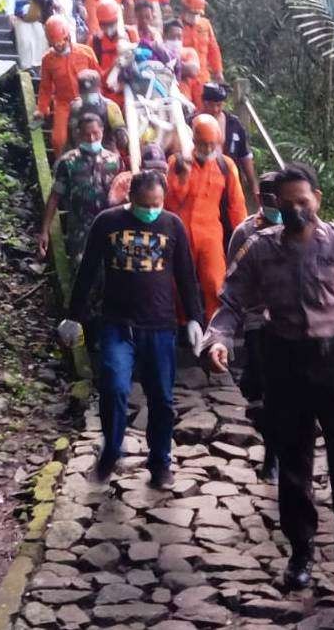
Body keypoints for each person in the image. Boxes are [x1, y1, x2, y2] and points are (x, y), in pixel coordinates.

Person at [198, 162, 334, 618]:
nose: (296, 211)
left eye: (303, 202)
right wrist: (217, 339)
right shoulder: (259, 250)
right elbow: (231, 301)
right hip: (284, 364)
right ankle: (301, 551)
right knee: (293, 466)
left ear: (317, 199)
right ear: (275, 204)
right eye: (287, 203)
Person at [65, 169, 205, 486]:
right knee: (114, 387)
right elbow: (87, 271)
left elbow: (185, 274)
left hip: (160, 325)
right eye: (145, 204)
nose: (151, 210)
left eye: (157, 203)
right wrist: (74, 315)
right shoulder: (107, 222)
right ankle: (111, 450)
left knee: (162, 399)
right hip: (118, 323)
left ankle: (160, 463)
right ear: (131, 198)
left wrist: (196, 318)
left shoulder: (172, 225)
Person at [224, 170, 283, 482]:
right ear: (260, 199)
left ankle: (279, 455)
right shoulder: (245, 232)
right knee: (266, 391)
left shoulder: (300, 226)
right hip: (258, 320)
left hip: (293, 321)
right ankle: (273, 454)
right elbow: (233, 280)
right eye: (271, 198)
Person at [165, 115, 248, 319]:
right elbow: (169, 201)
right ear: (194, 141)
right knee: (179, 282)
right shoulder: (177, 162)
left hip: (210, 232)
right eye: (204, 144)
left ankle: (215, 327)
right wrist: (183, 177)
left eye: (213, 144)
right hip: (180, 231)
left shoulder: (225, 165)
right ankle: (185, 324)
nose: (209, 148)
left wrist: (244, 234)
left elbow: (236, 204)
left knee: (215, 280)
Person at [40, 114, 123, 267]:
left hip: (110, 227)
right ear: (78, 134)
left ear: (102, 131)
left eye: (95, 133)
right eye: (86, 134)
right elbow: (54, 197)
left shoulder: (115, 161)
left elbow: (125, 195)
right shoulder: (67, 162)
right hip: (79, 229)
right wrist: (45, 230)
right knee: (81, 271)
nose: (91, 138)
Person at [36, 16, 101, 156]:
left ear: (68, 37)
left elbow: (98, 76)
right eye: (55, 43)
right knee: (58, 140)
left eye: (61, 41)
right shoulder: (48, 60)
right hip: (63, 104)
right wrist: (41, 109)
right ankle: (62, 167)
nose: (58, 45)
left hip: (86, 101)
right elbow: (45, 87)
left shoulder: (86, 52)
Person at [200, 83, 259, 202]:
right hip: (202, 183)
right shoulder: (193, 123)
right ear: (203, 103)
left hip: (229, 181)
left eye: (219, 105)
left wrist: (254, 185)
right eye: (210, 105)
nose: (215, 109)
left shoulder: (234, 124)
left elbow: (245, 155)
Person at [67, 69, 128, 153]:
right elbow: (71, 137)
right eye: (85, 93)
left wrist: (119, 131)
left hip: (107, 154)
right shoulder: (75, 107)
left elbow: (122, 140)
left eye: (91, 93)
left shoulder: (110, 107)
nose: (87, 96)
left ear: (99, 89)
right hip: (82, 155)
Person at [88, 0, 135, 96]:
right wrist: (114, 65)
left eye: (111, 23)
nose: (108, 28)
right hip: (106, 95)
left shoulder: (130, 34)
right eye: (104, 24)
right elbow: (96, 77)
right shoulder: (95, 41)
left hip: (130, 90)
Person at [179, 0, 224, 84]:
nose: (194, 16)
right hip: (184, 77)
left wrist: (218, 72)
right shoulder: (175, 28)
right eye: (192, 13)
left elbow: (213, 49)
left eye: (197, 13)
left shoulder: (205, 25)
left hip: (203, 77)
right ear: (184, 9)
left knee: (213, 97)